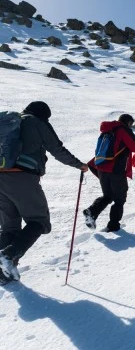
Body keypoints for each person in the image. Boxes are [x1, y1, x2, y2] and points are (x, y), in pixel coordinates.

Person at [0, 101, 88, 284]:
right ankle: (9, 255)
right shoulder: (37, 122)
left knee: (9, 227)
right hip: (22, 178)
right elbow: (57, 149)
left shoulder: (9, 122)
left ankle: (3, 273)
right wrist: (79, 164)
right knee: (39, 221)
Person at [83, 114, 135, 232]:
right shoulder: (123, 130)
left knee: (108, 195)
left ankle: (91, 212)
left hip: (101, 167)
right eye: (131, 124)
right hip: (116, 170)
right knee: (119, 199)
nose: (131, 127)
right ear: (128, 122)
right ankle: (113, 226)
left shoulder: (107, 130)